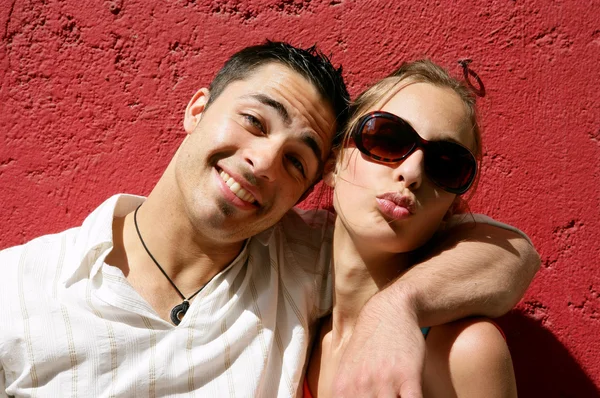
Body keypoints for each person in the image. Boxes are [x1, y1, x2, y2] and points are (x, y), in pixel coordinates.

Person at [0, 42, 539, 397]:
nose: (262, 161)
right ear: (197, 108)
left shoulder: (296, 263)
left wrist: (397, 307)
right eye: (386, 140)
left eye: (296, 159)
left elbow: (515, 253)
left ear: (315, 175)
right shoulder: (16, 291)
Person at [304, 60, 522, 398]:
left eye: (446, 165)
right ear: (332, 165)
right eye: (387, 138)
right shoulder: (293, 332)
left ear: (450, 209)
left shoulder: (462, 350)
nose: (412, 172)